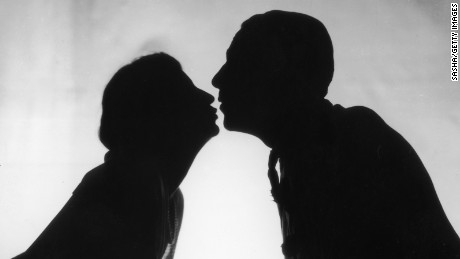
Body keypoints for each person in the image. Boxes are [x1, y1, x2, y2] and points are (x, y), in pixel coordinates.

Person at [212, 10, 460, 259]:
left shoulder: (352, 137)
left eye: (238, 62)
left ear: (278, 70)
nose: (218, 79)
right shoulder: (297, 156)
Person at [15, 53, 219, 259]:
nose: (208, 96)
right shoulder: (130, 182)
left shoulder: (170, 197)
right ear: (160, 116)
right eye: (187, 92)